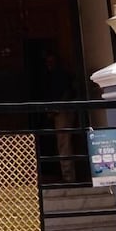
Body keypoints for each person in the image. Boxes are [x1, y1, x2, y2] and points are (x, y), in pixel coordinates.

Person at [41, 51, 76, 183]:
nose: (49, 64)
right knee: (61, 143)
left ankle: (68, 176)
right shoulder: (50, 76)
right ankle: (65, 174)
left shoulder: (61, 75)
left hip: (63, 111)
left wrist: (57, 107)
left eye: (51, 61)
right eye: (47, 62)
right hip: (55, 111)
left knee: (64, 143)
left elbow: (67, 92)